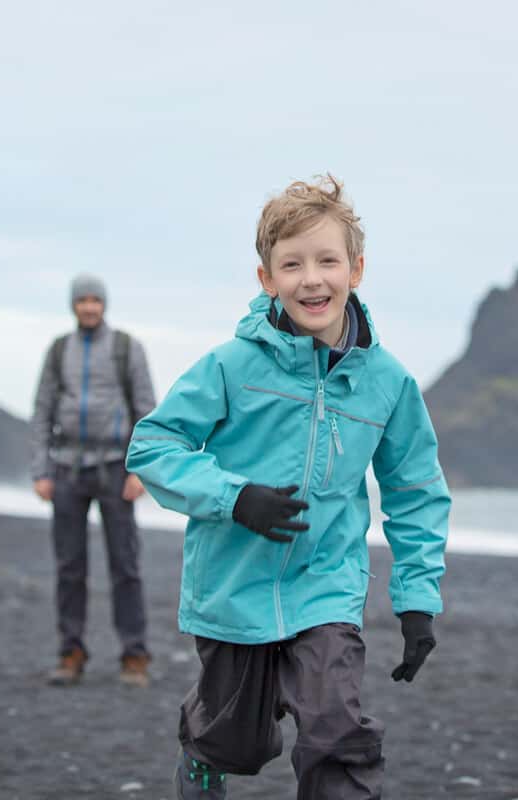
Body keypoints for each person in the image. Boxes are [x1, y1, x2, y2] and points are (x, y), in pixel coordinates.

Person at [125, 176, 451, 799]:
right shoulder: (232, 365)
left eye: (328, 261)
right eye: (292, 264)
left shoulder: (388, 383)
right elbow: (152, 446)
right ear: (266, 278)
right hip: (233, 588)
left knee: (336, 731)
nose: (312, 279)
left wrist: (417, 598)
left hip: (327, 586)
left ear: (356, 270)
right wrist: (234, 497)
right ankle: (202, 760)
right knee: (235, 744)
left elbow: (415, 491)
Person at [30, 274, 157, 688]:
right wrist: (41, 471)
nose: (89, 307)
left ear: (104, 304)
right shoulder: (59, 350)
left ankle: (134, 655)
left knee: (125, 566)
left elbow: (146, 411)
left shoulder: (125, 348)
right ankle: (71, 653)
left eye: (95, 300)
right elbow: (42, 410)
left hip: (116, 468)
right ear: (73, 305)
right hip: (66, 469)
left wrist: (141, 470)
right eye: (82, 300)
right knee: (69, 567)